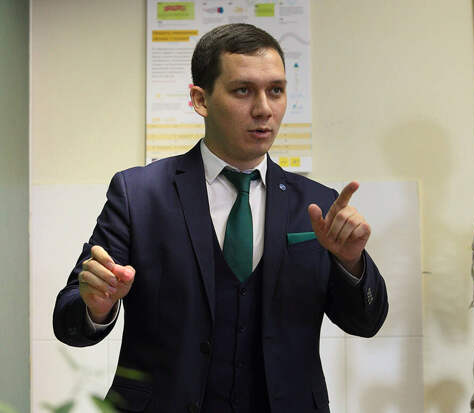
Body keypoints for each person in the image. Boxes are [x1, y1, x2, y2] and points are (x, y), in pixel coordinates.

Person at [53, 23, 388, 413]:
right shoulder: (139, 194)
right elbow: (69, 318)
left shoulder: (317, 204)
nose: (264, 109)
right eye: (243, 90)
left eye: (275, 91)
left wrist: (350, 263)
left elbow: (366, 322)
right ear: (201, 100)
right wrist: (96, 306)